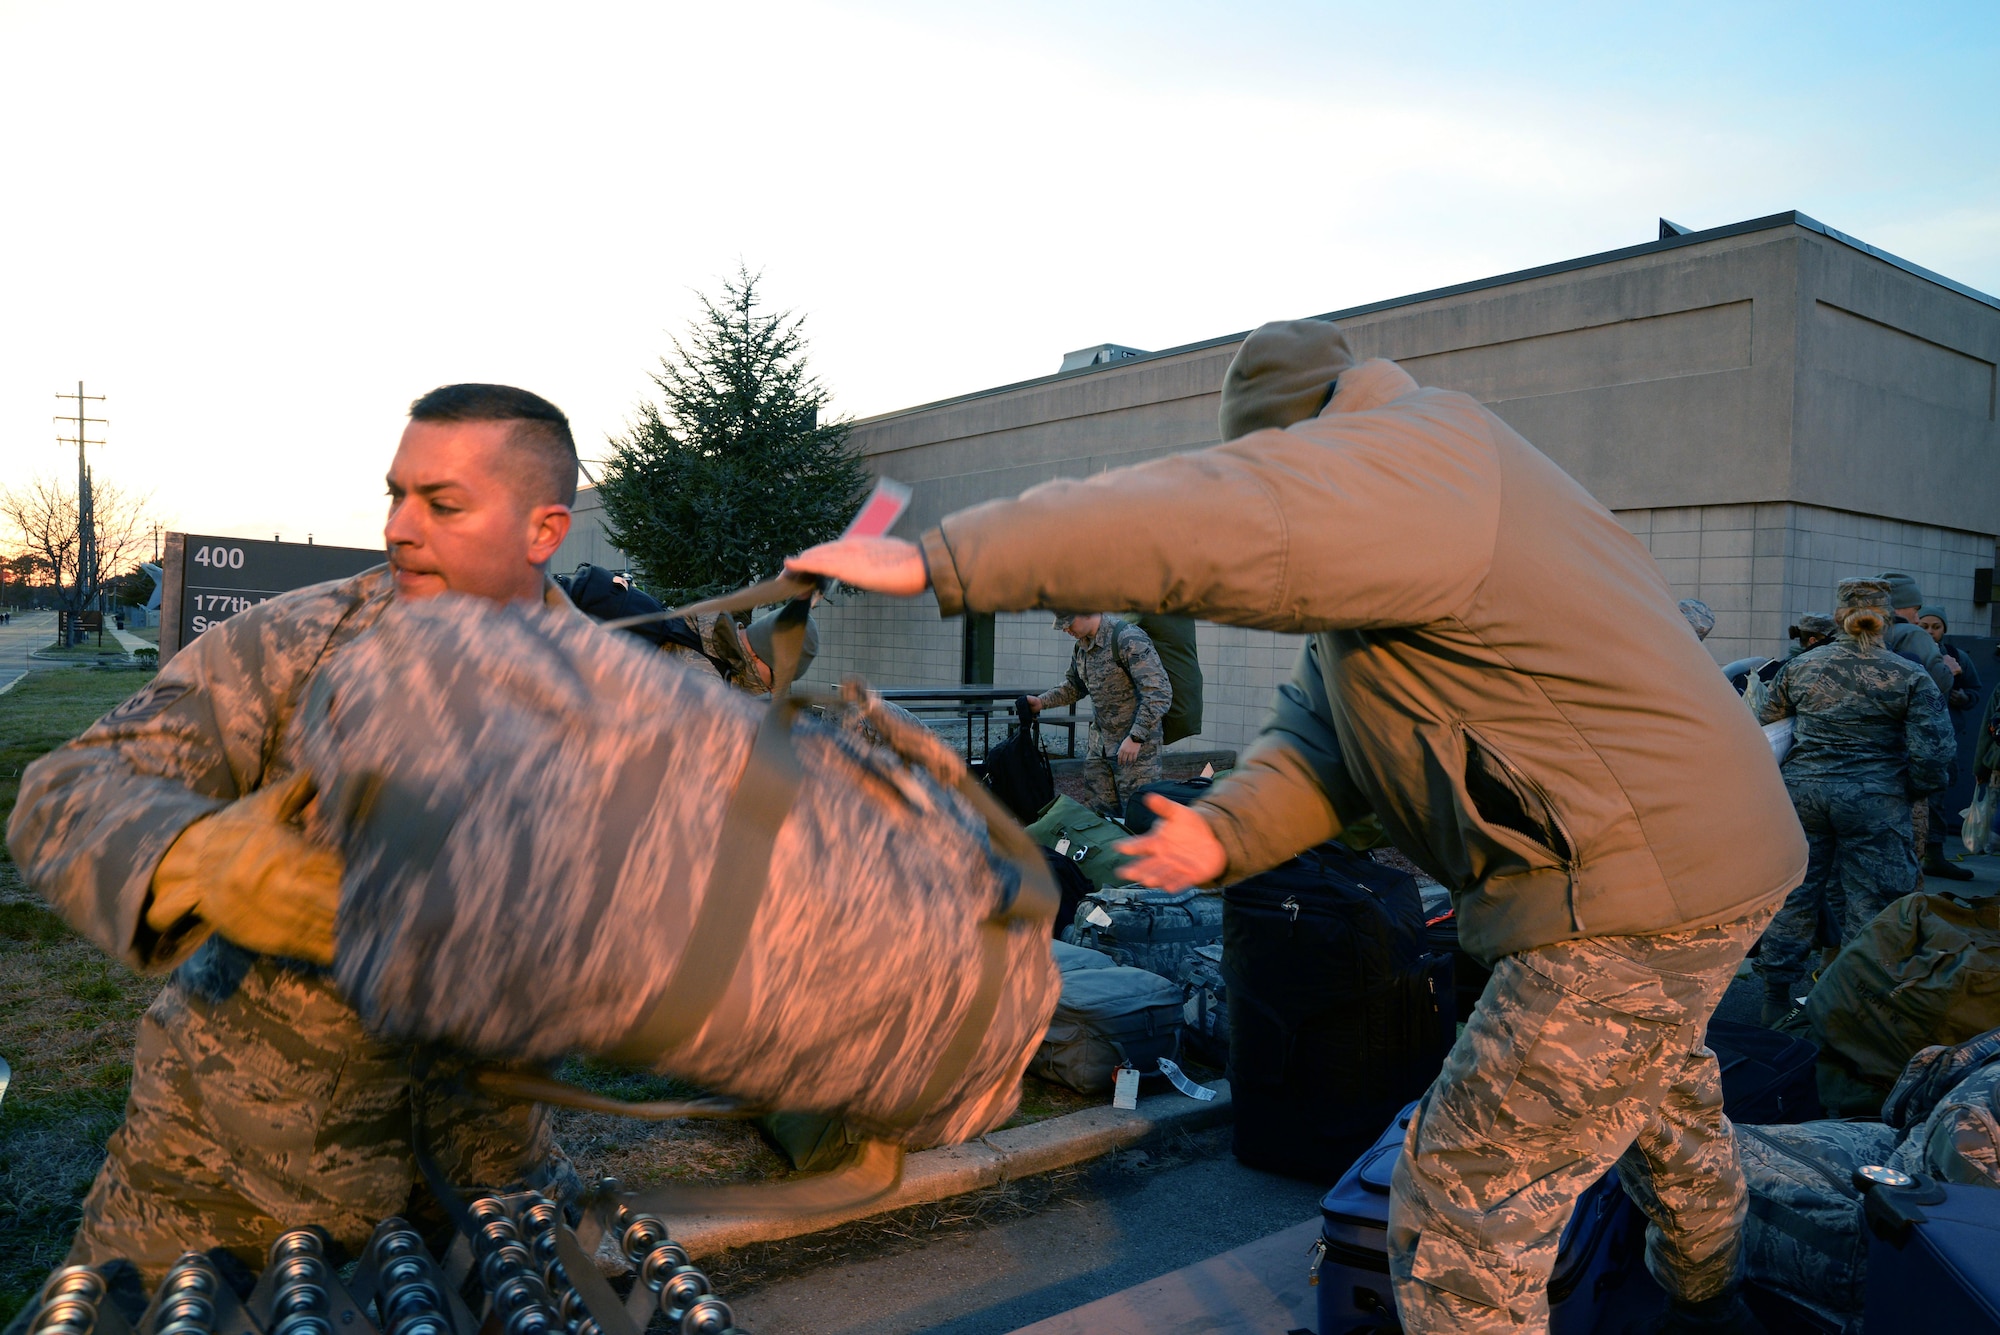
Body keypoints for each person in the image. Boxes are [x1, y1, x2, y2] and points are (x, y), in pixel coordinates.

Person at [790, 318, 1806, 1335]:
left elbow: (1222, 517)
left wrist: (950, 559)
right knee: (1656, 1084)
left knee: (1465, 1204)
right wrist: (1222, 832)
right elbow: (1320, 747)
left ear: (1299, 439)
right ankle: (1710, 1299)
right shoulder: (1402, 546)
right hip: (1696, 860)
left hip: (1630, 883)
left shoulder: (1425, 453)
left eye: (1271, 459)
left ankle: (1704, 1296)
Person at [6, 384, 584, 1282]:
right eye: (396, 493)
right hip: (219, 1197)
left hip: (483, 1199)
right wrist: (197, 856)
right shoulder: (297, 642)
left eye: (442, 504)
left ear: (544, 530)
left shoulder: (621, 699)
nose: (399, 527)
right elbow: (65, 790)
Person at [1753, 580, 1956, 1022]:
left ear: (1840, 616)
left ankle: (1774, 996)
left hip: (1803, 795)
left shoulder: (1802, 667)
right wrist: (1915, 789)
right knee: (1875, 899)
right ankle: (1856, 1002)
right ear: (1885, 618)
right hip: (1874, 800)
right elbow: (1934, 751)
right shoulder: (1908, 673)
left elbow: (1768, 725)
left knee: (1796, 893)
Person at [1027, 611, 1171, 815]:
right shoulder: (1082, 647)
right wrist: (1041, 702)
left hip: (1135, 753)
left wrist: (1136, 737)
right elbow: (1074, 686)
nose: (1066, 630)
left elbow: (1158, 692)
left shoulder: (1127, 638)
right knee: (1100, 819)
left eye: (1069, 623)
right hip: (1100, 750)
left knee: (1138, 820)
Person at [1916, 605, 1982, 880]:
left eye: (1936, 627)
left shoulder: (1957, 657)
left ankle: (1934, 854)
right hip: (1915, 734)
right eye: (1925, 627)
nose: (1931, 632)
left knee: (1937, 797)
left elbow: (1976, 690)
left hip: (1945, 738)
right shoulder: (1912, 652)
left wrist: (1963, 697)